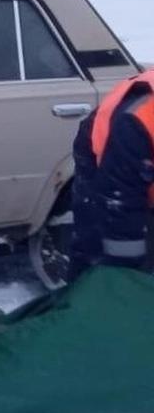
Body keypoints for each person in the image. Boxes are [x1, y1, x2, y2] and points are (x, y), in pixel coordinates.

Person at [70, 70, 154, 276]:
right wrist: (127, 278)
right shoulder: (139, 120)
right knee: (103, 249)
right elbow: (121, 204)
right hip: (107, 162)